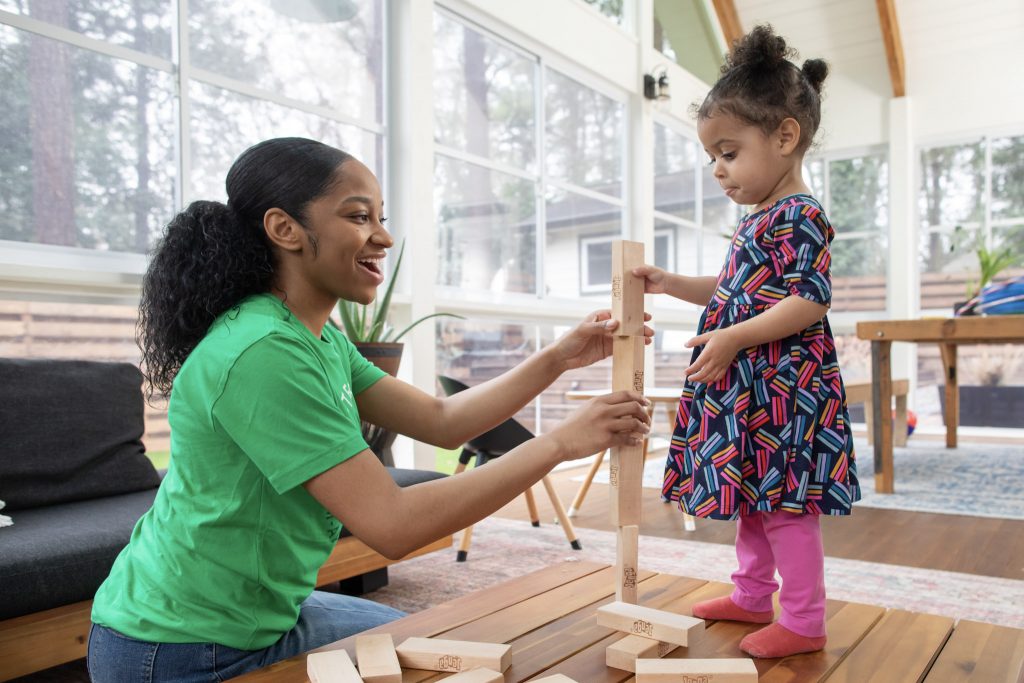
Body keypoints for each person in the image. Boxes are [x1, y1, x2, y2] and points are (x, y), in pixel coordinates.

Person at [87, 137, 652, 681]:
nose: (382, 237)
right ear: (285, 229)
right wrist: (559, 443)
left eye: (380, 217)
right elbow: (392, 525)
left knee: (442, 643)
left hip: (263, 617)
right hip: (181, 647)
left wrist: (556, 358)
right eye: (359, 217)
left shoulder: (316, 338)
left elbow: (441, 420)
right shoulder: (260, 353)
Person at [634, 26, 859, 658]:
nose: (717, 169)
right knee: (754, 499)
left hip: (788, 391)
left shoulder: (802, 214)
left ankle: (805, 620)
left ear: (785, 137)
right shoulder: (758, 218)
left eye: (728, 152)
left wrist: (730, 338)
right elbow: (735, 287)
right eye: (712, 155)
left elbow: (808, 299)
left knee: (785, 504)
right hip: (755, 390)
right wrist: (670, 282)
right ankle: (753, 594)